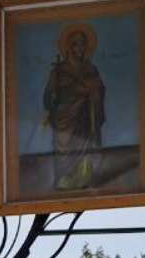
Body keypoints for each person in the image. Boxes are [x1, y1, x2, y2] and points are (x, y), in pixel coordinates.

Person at [42, 24, 105, 192]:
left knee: (83, 146)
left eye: (83, 45)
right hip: (63, 118)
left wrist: (93, 91)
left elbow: (99, 89)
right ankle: (63, 180)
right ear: (69, 47)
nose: (80, 48)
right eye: (76, 44)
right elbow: (48, 94)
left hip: (84, 116)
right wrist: (52, 105)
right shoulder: (59, 70)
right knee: (63, 151)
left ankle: (83, 178)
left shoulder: (90, 69)